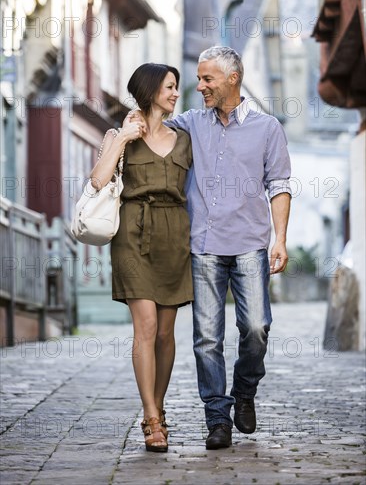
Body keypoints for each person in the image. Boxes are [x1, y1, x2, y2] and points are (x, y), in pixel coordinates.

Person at [130, 46, 292, 449]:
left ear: (232, 79)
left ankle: (245, 391)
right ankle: (217, 419)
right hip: (202, 246)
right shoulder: (190, 124)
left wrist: (281, 239)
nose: (198, 86)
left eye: (207, 79)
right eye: (198, 79)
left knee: (256, 327)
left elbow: (280, 185)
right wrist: (132, 119)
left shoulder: (267, 127)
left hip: (250, 245)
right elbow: (155, 122)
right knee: (206, 338)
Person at [90, 63, 193, 453]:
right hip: (133, 234)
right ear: (151, 91)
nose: (175, 93)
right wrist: (122, 138)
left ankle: (159, 406)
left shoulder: (184, 139)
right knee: (146, 327)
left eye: (176, 87)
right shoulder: (121, 135)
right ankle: (151, 418)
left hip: (174, 236)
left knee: (166, 334)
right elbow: (98, 180)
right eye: (170, 87)